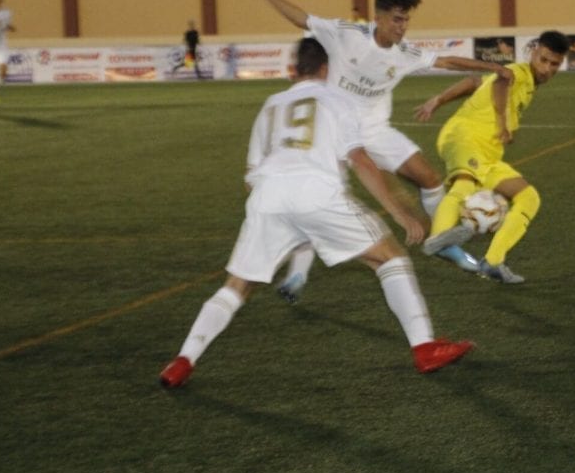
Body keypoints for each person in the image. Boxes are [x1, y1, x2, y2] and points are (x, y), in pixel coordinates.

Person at [158, 38, 473, 388]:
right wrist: (399, 212)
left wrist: (292, 222)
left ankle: (183, 360)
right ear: (327, 69)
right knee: (390, 258)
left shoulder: (272, 104)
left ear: (295, 70)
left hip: (268, 196)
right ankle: (425, 347)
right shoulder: (339, 100)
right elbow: (361, 161)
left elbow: (250, 177)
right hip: (317, 194)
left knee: (237, 285)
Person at [238, 0, 511, 296]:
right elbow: (302, 18)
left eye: (406, 21)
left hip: (374, 130)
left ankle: (442, 240)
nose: (402, 27)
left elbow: (448, 61)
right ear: (378, 17)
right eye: (396, 19)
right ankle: (297, 275)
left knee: (429, 178)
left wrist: (492, 67)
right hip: (333, 130)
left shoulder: (405, 54)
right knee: (316, 199)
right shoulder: (346, 34)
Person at [415, 31, 570, 285]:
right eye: (543, 59)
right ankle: (439, 239)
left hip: (487, 153)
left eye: (554, 64)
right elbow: (502, 78)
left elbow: (475, 82)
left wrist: (439, 100)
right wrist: (501, 121)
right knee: (464, 184)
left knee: (529, 198)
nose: (547, 69)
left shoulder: (529, 83)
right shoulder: (518, 72)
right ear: (534, 52)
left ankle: (493, 261)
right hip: (465, 136)